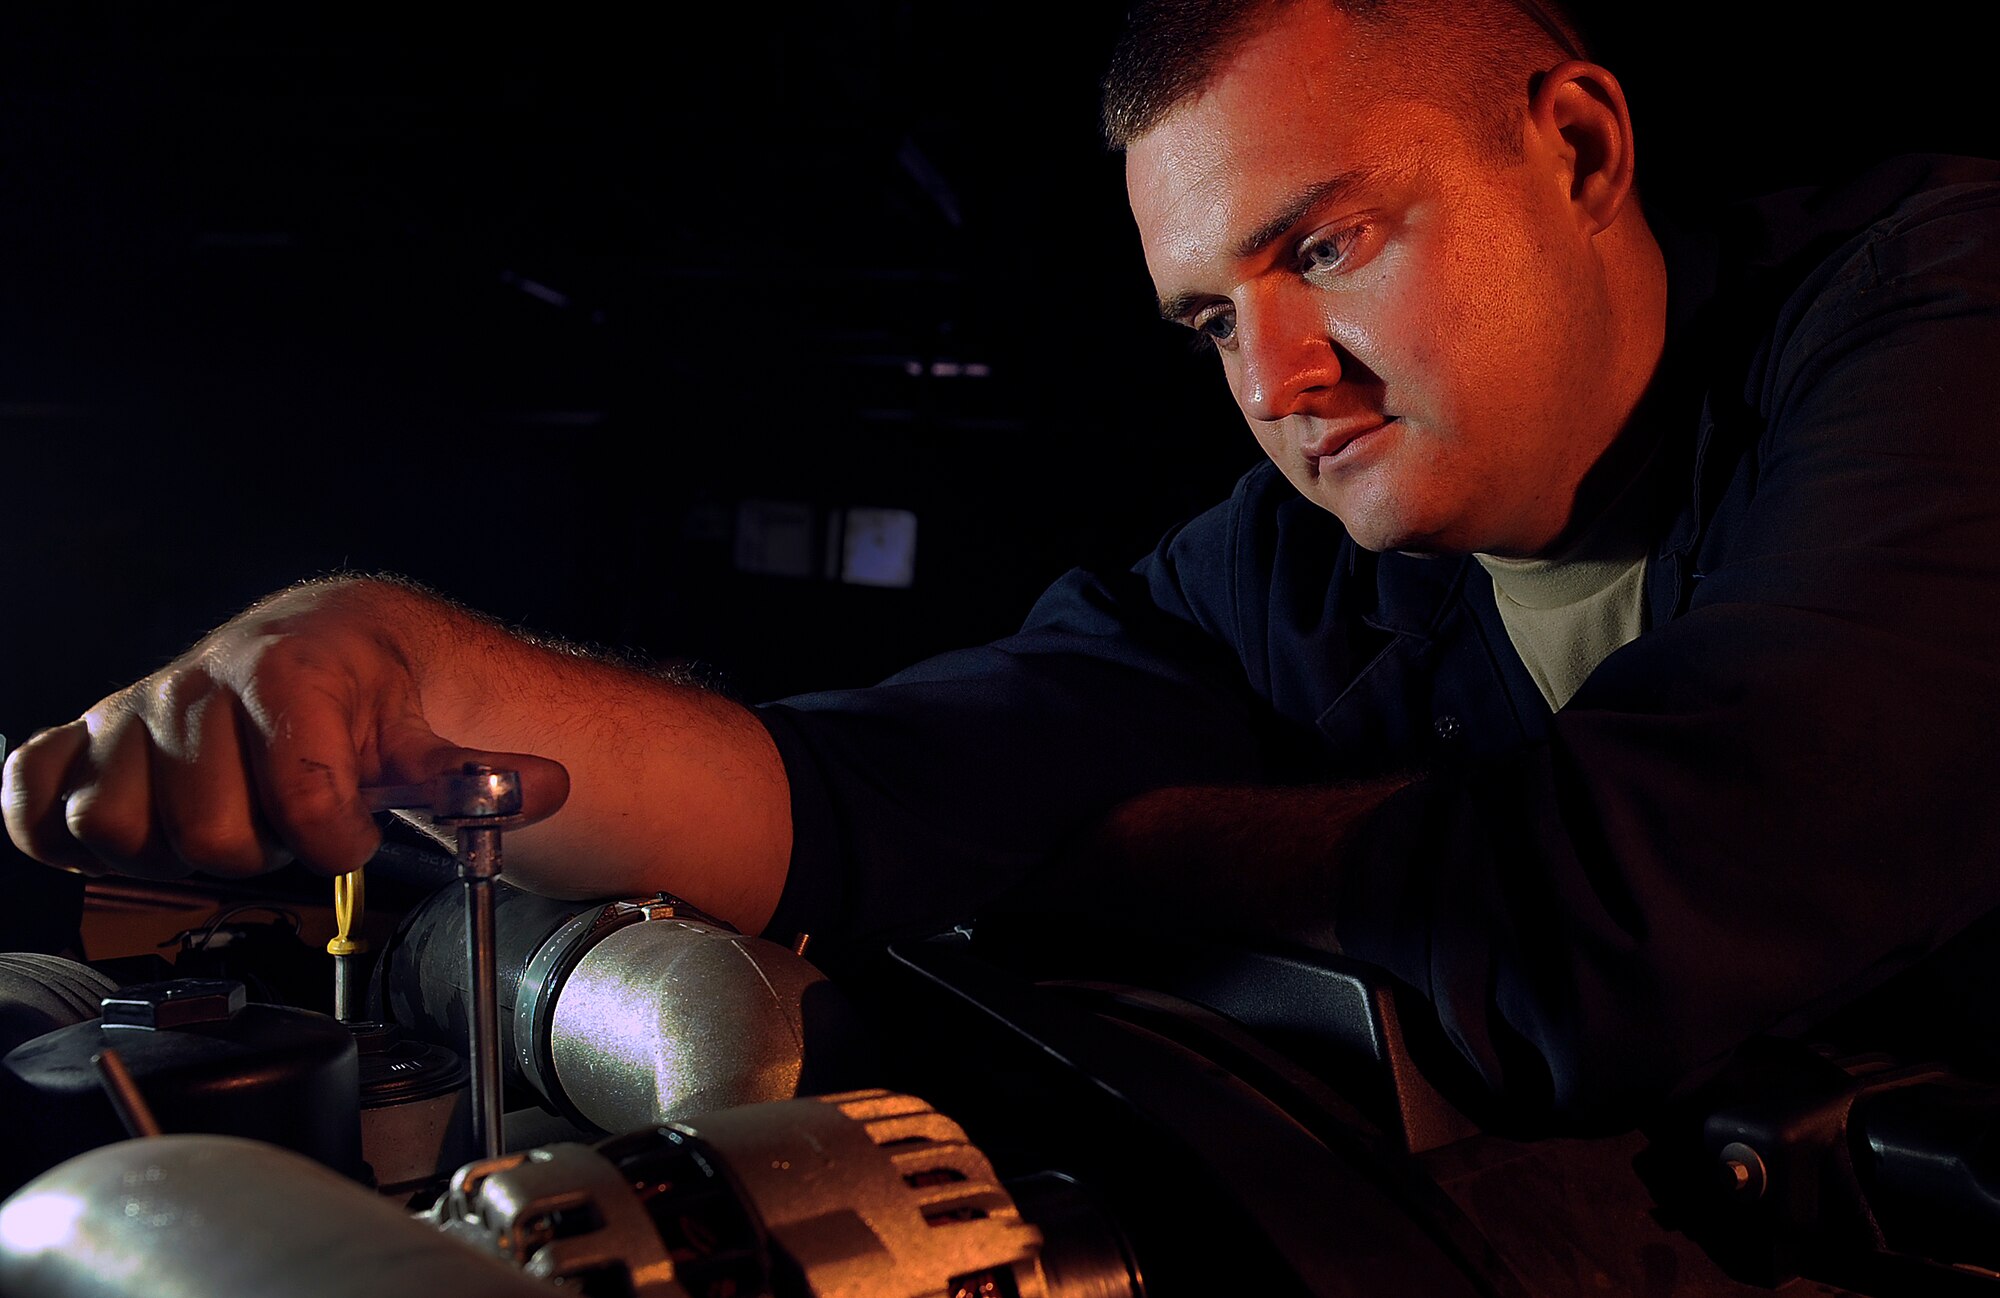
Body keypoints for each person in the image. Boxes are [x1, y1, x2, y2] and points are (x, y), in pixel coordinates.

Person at [6, 0, 1999, 1132]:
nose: (1282, 380)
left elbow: (1638, 916)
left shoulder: (1939, 318)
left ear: (1574, 147)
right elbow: (857, 797)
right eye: (1209, 319)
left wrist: (1115, 848)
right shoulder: (1282, 566)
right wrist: (403, 671)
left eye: (1322, 248)